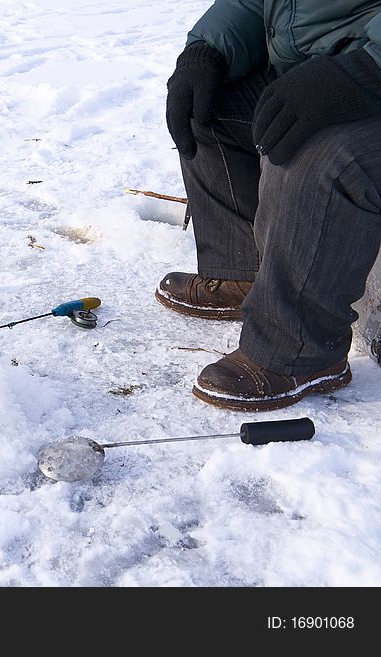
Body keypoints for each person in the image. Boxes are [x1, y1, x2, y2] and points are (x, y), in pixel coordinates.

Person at [158, 0, 381, 411]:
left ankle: (300, 350)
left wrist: (368, 70)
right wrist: (206, 49)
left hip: (370, 72)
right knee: (208, 105)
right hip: (325, 66)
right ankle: (246, 273)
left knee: (315, 150)